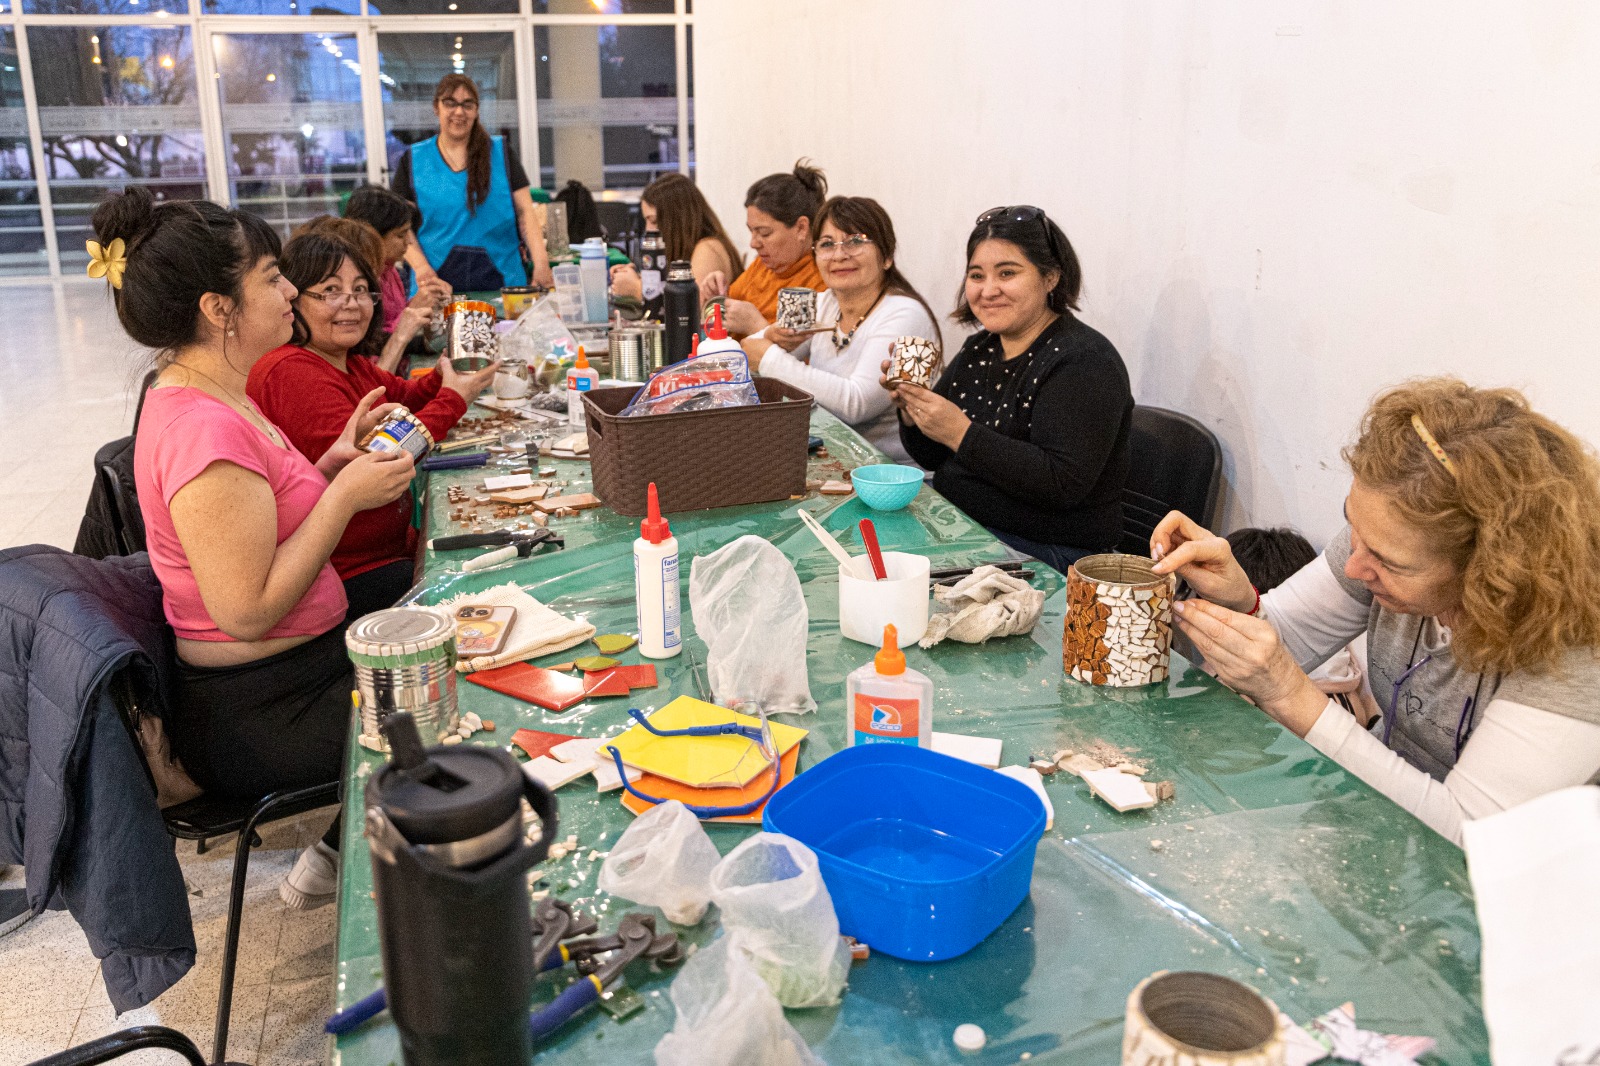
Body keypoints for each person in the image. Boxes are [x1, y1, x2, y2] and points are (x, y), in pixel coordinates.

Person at [96, 187, 415, 909]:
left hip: (296, 665)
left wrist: (332, 463)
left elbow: (263, 517)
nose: (290, 290)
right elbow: (245, 610)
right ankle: (398, 903)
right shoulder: (201, 431)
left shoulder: (220, 393)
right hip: (262, 707)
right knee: (446, 704)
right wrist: (342, 498)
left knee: (453, 609)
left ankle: (352, 853)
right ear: (218, 309)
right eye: (272, 277)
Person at [1152, 378, 1600, 845]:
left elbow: (1470, 833)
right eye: (1352, 527)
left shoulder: (1579, 651)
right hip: (1387, 825)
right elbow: (1282, 644)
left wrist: (1291, 695)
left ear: (1489, 569)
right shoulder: (1380, 539)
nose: (1353, 565)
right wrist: (1239, 601)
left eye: (1388, 562)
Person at [249, 230, 498, 620]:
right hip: (348, 574)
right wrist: (455, 397)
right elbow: (380, 462)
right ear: (294, 299)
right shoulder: (291, 371)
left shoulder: (346, 359)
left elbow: (405, 397)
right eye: (331, 290)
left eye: (361, 290)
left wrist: (449, 369)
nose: (351, 304)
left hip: (390, 551)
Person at [884, 205, 1132, 571]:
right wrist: (911, 407)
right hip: (967, 526)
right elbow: (931, 457)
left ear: (1050, 278)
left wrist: (960, 433)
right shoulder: (981, 348)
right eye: (976, 275)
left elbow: (1061, 484)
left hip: (1052, 553)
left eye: (1007, 273)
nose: (988, 290)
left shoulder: (1084, 360)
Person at [741, 196, 937, 463]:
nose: (839, 254)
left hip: (895, 476)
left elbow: (855, 404)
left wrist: (769, 357)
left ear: (887, 256)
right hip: (832, 461)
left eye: (856, 241)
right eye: (827, 244)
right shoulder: (824, 302)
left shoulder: (906, 314)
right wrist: (771, 338)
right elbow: (747, 359)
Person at [392, 73, 554, 293]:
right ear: (436, 107)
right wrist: (421, 268)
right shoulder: (413, 159)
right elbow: (400, 226)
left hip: (504, 287)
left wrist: (542, 264)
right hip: (435, 287)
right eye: (450, 103)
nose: (459, 112)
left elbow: (526, 212)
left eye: (467, 104)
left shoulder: (501, 153)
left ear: (476, 110)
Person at [295, 214, 438, 374]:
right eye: (332, 289)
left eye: (359, 287)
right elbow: (373, 393)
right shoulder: (303, 368)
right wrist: (400, 336)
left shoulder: (349, 349)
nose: (352, 303)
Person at [700, 160, 828, 337]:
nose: (754, 243)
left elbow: (802, 357)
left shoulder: (822, 279)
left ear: (801, 228)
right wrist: (716, 298)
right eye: (751, 231)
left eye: (764, 233)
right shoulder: (762, 266)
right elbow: (724, 316)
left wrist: (756, 327)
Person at [608, 173, 742, 301]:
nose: (648, 229)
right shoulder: (692, 249)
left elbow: (689, 308)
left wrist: (637, 289)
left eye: (654, 221)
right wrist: (638, 279)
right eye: (646, 221)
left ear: (677, 220)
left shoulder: (708, 248)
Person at [344, 183, 452, 340]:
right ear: (371, 236)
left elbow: (393, 318)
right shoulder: (359, 283)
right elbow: (373, 343)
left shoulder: (390, 270)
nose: (409, 242)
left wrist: (422, 303)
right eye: (400, 235)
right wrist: (413, 311)